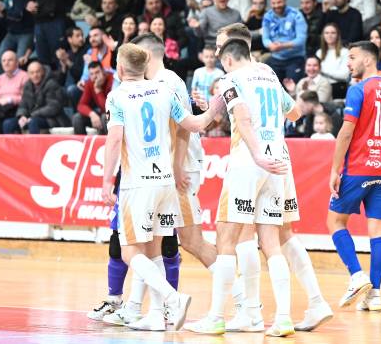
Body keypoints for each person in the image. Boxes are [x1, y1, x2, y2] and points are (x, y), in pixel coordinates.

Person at [183, 29, 299, 337]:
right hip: (277, 160)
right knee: (271, 243)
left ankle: (216, 317)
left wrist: (257, 153)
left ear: (229, 59)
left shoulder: (230, 79)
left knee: (226, 239)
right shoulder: (270, 75)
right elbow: (295, 113)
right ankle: (283, 318)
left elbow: (243, 117)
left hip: (249, 161)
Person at [100, 43, 217, 332]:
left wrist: (106, 180)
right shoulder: (164, 90)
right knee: (154, 251)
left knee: (130, 252)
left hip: (138, 184)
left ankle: (172, 298)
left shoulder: (117, 97)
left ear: (121, 68)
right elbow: (194, 124)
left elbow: (114, 140)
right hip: (166, 183)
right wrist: (216, 106)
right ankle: (155, 315)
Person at [328, 41, 381, 313]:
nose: (348, 63)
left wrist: (335, 169)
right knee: (378, 230)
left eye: (352, 57)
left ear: (368, 60)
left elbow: (346, 132)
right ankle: (375, 294)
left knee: (335, 221)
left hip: (359, 166)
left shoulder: (358, 90)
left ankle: (357, 275)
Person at [2, 61, 68, 134]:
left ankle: (34, 142)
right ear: (28, 74)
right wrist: (22, 116)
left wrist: (32, 115)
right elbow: (23, 105)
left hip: (51, 119)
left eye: (37, 72)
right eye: (32, 73)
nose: (35, 75)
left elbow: (53, 107)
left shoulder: (51, 84)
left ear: (42, 72)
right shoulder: (27, 85)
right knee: (8, 123)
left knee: (33, 122)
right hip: (32, 117)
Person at [262, 0, 308, 82]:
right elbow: (265, 38)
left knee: (292, 86)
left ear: (285, 1)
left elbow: (301, 39)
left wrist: (282, 46)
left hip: (295, 58)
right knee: (267, 82)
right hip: (276, 58)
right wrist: (270, 45)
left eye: (279, 2)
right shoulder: (267, 16)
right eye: (273, 3)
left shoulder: (296, 15)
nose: (276, 6)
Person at [74, 62, 112, 135]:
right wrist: (92, 114)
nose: (95, 76)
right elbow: (81, 105)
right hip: (100, 113)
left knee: (105, 117)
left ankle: (109, 142)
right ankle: (82, 142)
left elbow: (108, 109)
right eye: (91, 74)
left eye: (97, 72)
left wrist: (98, 90)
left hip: (113, 115)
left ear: (103, 71)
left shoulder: (112, 80)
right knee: (77, 118)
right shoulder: (90, 82)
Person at [318, 24, 350, 94]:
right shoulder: (319, 52)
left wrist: (322, 71)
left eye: (333, 33)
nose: (329, 35)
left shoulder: (345, 52)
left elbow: (345, 75)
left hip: (338, 87)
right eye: (326, 33)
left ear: (338, 35)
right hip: (320, 87)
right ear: (323, 35)